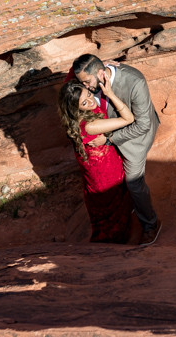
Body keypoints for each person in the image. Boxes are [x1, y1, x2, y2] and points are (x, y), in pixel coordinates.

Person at [72, 53, 162, 245]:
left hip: (134, 141)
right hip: (110, 135)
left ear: (100, 73)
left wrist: (109, 139)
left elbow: (142, 125)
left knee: (134, 184)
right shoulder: (92, 78)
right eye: (83, 83)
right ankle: (128, 208)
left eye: (87, 82)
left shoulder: (134, 82)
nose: (86, 87)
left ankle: (151, 225)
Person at [57, 73, 134, 243]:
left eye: (89, 94)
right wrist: (110, 94)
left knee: (106, 206)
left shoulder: (73, 112)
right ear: (76, 108)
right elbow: (128, 118)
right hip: (105, 172)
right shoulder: (91, 126)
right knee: (113, 204)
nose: (91, 101)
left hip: (93, 168)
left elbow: (73, 72)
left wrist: (101, 65)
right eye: (84, 102)